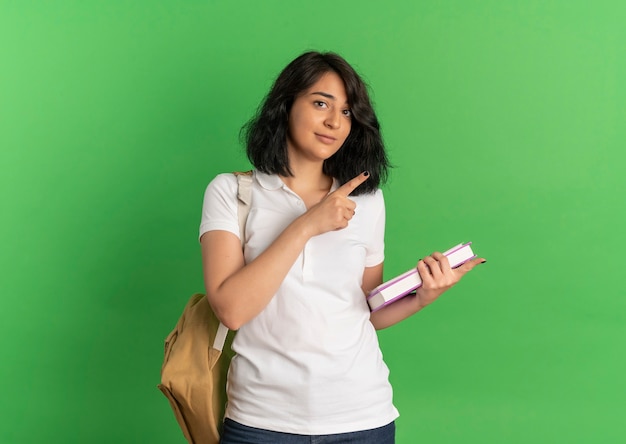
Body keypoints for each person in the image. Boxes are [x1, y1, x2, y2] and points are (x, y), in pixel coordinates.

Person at [199, 51, 485, 444]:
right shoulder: (232, 193)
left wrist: (423, 297)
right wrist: (306, 226)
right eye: (321, 104)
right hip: (261, 422)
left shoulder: (367, 200)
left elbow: (366, 310)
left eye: (348, 112)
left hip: (362, 417)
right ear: (285, 107)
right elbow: (231, 310)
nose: (335, 122)